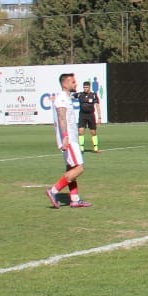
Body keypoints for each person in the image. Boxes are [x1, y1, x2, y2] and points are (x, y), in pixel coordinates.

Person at [46, 73, 90, 208]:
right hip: (69, 140)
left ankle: (75, 199)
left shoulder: (66, 98)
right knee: (79, 168)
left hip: (71, 138)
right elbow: (61, 117)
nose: (75, 84)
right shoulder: (62, 99)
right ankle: (53, 191)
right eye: (73, 81)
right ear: (65, 84)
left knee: (71, 168)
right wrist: (65, 136)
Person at [76, 82, 102, 154]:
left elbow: (97, 106)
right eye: (84, 87)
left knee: (93, 132)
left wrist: (99, 117)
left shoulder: (93, 95)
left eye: (86, 87)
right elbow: (70, 96)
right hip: (82, 115)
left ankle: (95, 148)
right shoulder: (80, 94)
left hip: (91, 115)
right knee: (80, 131)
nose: (85, 89)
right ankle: (81, 149)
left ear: (89, 87)